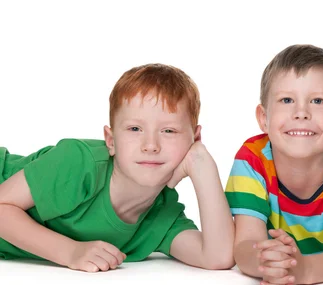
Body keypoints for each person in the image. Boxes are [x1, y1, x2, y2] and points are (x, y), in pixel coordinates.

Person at [0, 63, 235, 272]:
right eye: (135, 129)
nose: (150, 145)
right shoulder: (82, 163)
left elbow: (217, 257)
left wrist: (202, 165)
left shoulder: (162, 216)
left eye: (169, 131)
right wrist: (70, 252)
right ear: (111, 141)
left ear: (194, 139)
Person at [225, 44, 323, 285]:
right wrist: (264, 262)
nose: (301, 113)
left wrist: (304, 269)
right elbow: (245, 242)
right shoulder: (251, 160)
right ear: (264, 118)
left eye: (317, 100)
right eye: (287, 100)